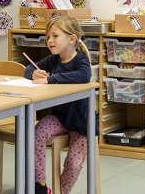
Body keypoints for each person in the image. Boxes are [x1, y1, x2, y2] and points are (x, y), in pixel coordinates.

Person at [24, 16, 98, 194]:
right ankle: (39, 186)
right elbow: (27, 68)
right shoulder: (53, 60)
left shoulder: (80, 60)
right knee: (36, 134)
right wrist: (33, 73)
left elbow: (83, 75)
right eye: (48, 37)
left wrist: (51, 79)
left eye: (55, 36)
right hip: (59, 118)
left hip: (82, 122)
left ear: (71, 39)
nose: (49, 40)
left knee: (74, 162)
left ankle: (60, 192)